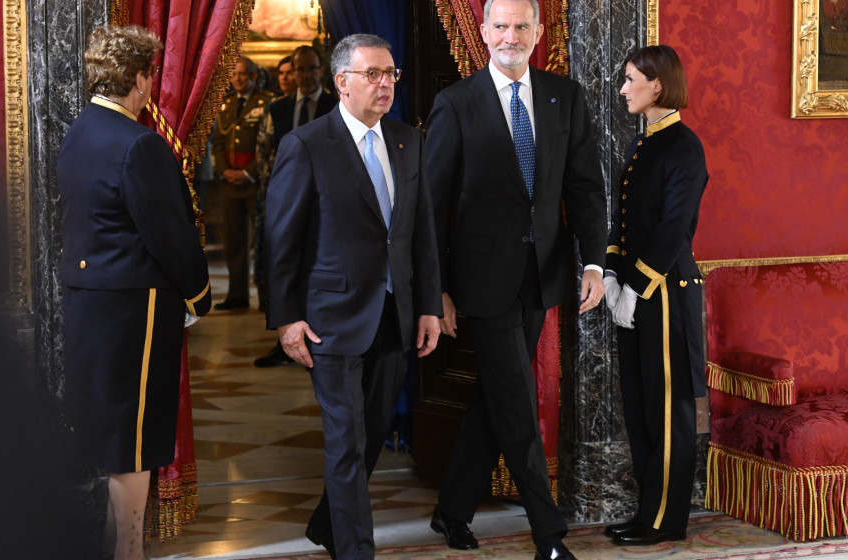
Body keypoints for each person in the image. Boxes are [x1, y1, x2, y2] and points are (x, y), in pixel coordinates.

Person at [424, 0, 607, 558]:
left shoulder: (563, 97)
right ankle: (548, 536)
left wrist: (594, 263)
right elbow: (431, 207)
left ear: (538, 31)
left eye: (521, 26)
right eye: (500, 26)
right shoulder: (455, 104)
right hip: (481, 282)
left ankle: (451, 510)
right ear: (482, 32)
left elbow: (584, 189)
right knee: (518, 403)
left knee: (496, 397)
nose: (511, 36)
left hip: (543, 277)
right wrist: (437, 290)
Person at [265, 33, 442, 560]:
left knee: (367, 438)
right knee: (345, 443)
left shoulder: (410, 140)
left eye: (391, 74)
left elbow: (421, 234)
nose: (385, 84)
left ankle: (327, 524)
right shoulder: (306, 145)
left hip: (395, 313)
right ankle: (355, 551)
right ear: (342, 82)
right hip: (330, 319)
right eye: (373, 74)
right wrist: (286, 319)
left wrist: (429, 304)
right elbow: (281, 240)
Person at [57, 24, 212, 560]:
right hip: (136, 309)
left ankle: (111, 544)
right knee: (135, 442)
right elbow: (171, 235)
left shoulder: (80, 130)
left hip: (89, 303)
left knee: (114, 434)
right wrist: (199, 295)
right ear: (142, 78)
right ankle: (129, 552)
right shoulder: (139, 143)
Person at [601, 44, 708, 546]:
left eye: (630, 80)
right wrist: (610, 274)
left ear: (657, 85)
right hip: (636, 291)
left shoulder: (684, 147)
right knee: (643, 406)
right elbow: (624, 218)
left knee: (668, 409)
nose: (623, 89)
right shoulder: (642, 145)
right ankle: (649, 512)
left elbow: (673, 231)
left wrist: (637, 286)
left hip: (664, 294)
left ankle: (665, 519)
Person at [254, 45, 337, 368]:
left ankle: (318, 338)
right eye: (299, 69)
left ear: (322, 69)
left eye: (311, 68)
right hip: (285, 203)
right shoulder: (277, 109)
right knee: (281, 266)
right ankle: (284, 338)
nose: (305, 75)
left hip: (325, 205)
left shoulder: (335, 105)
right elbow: (266, 161)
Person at [212, 56, 273, 310]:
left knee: (263, 241)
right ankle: (237, 295)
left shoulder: (266, 102)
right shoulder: (225, 104)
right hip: (229, 184)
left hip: (255, 182)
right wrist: (225, 171)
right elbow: (218, 144)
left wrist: (249, 173)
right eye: (234, 74)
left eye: (243, 74)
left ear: (254, 76)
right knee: (234, 241)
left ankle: (267, 295)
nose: (238, 79)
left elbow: (267, 143)